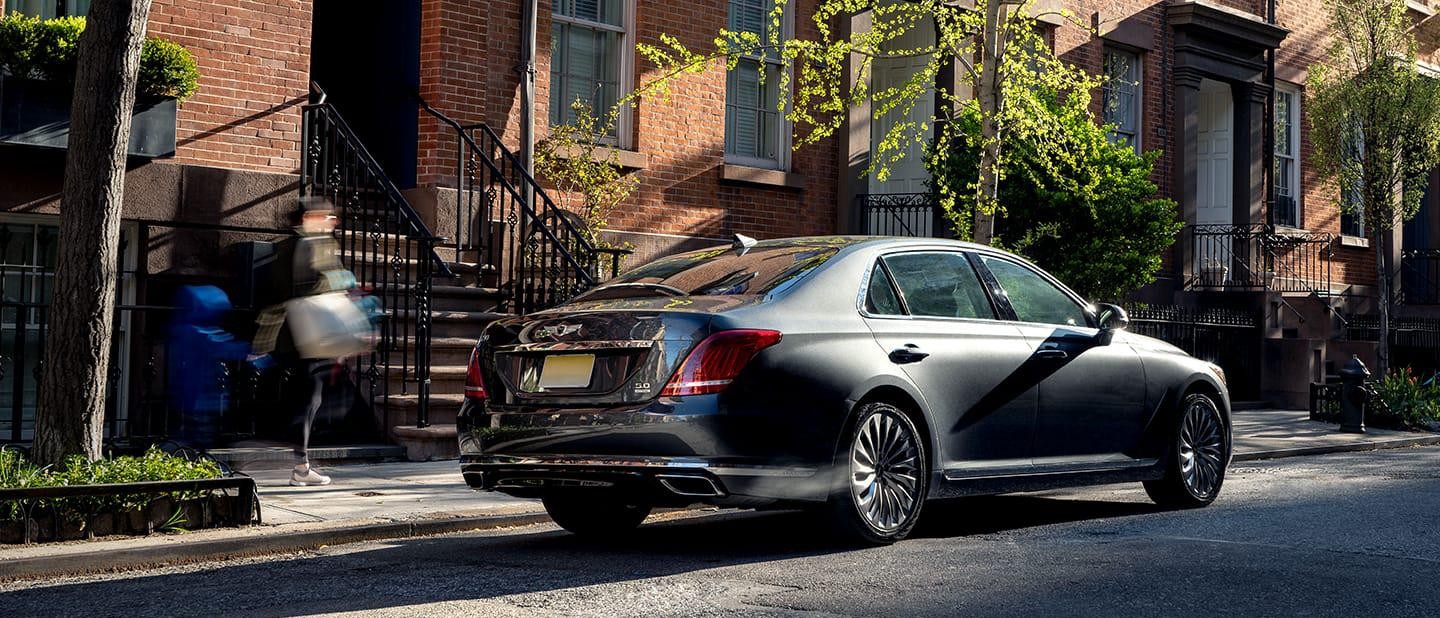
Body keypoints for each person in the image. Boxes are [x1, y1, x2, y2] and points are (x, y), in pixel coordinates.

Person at [251, 197, 354, 487]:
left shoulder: (286, 247)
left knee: (307, 397)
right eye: (327, 217)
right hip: (312, 335)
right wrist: (342, 281)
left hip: (292, 335)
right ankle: (300, 465)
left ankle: (298, 459)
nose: (332, 222)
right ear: (311, 216)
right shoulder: (315, 244)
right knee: (311, 399)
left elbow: (277, 298)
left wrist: (264, 340)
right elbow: (319, 286)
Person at [168, 285, 251, 450]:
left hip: (193, 391)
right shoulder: (199, 332)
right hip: (202, 394)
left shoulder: (187, 329)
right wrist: (251, 351)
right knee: (203, 434)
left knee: (195, 431)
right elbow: (221, 345)